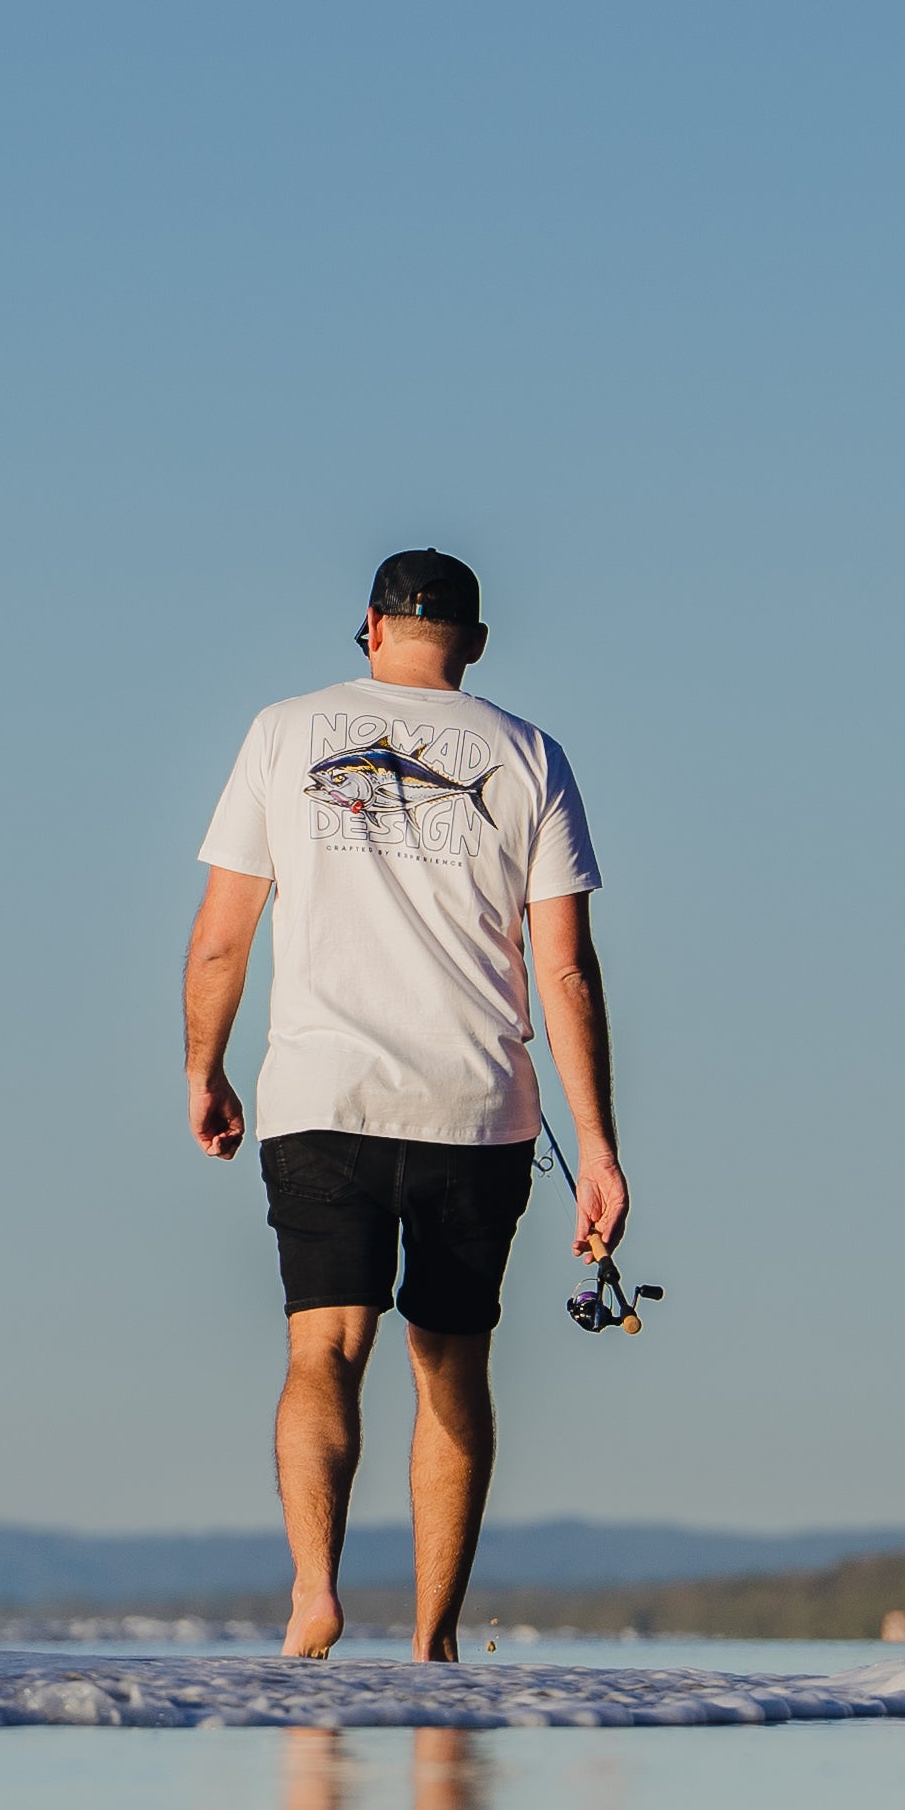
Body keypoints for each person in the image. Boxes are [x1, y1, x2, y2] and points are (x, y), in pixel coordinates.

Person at [183, 552, 627, 1661]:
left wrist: (204, 1065)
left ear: (369, 628)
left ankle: (313, 1594)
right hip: (475, 1109)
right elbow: (564, 968)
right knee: (451, 1360)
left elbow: (220, 934)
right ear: (472, 642)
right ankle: (432, 1637)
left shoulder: (282, 731)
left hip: (320, 1095)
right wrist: (604, 1146)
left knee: (322, 1349)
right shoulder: (529, 753)